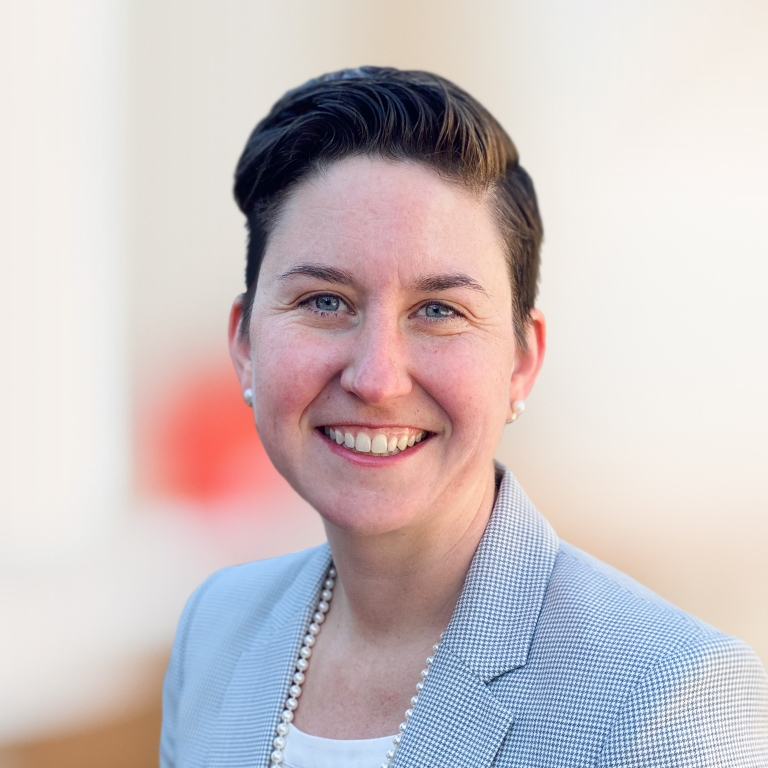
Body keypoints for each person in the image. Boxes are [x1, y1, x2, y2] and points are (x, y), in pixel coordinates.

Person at [160, 67, 767, 768]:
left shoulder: (667, 691)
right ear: (244, 344)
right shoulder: (216, 630)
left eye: (439, 311)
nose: (377, 378)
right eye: (324, 301)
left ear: (521, 361)